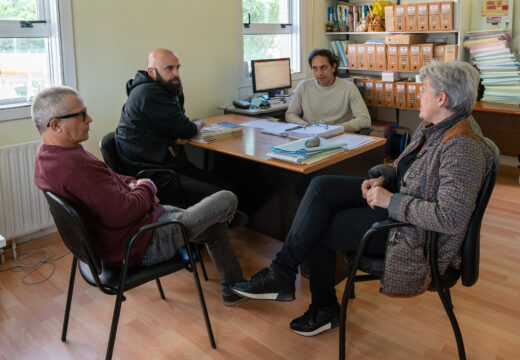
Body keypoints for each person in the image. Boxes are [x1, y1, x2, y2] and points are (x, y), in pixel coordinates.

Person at [233, 61, 495, 335]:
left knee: (318, 226)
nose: (418, 95)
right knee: (322, 185)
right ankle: (282, 274)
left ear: (442, 99)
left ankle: (322, 307)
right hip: (403, 204)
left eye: (423, 90)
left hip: (415, 236)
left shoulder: (462, 147)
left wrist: (388, 201)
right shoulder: (435, 126)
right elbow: (405, 166)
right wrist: (383, 176)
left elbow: (450, 218)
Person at [32, 86, 246, 306]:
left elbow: (110, 177)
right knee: (226, 198)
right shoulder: (73, 168)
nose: (90, 119)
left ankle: (232, 283)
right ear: (55, 125)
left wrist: (136, 185)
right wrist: (148, 187)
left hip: (133, 229)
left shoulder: (50, 155)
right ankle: (228, 223)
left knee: (213, 223)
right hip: (140, 241)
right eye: (81, 115)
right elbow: (122, 212)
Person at [114, 49, 247, 226]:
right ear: (152, 72)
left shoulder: (158, 89)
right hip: (157, 174)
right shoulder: (149, 93)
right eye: (169, 68)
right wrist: (198, 124)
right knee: (226, 192)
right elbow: (186, 129)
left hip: (163, 164)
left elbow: (180, 124)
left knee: (226, 184)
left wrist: (179, 132)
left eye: (177, 68)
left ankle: (222, 221)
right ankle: (209, 229)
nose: (176, 74)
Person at [285, 48, 371, 133]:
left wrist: (334, 129)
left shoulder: (349, 88)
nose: (319, 73)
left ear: (333, 67)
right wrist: (305, 125)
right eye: (315, 68)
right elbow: (290, 114)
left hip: (339, 136)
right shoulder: (303, 86)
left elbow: (364, 119)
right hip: (310, 134)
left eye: (323, 67)